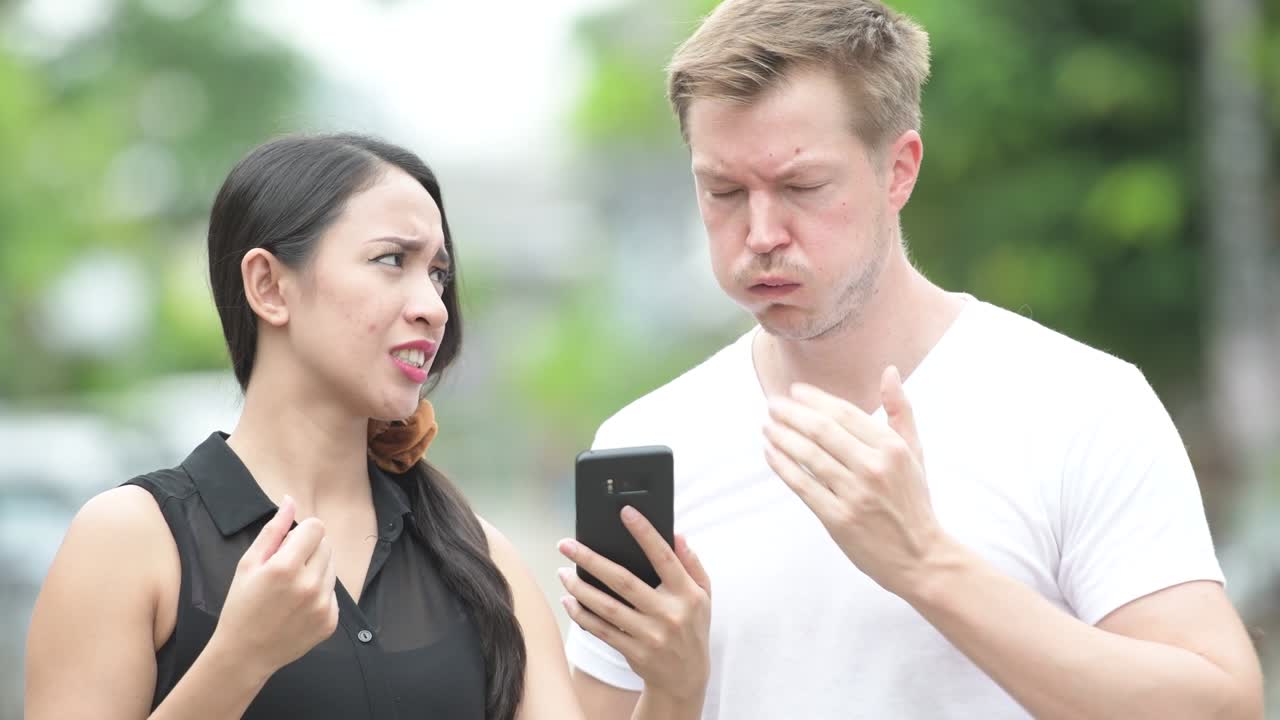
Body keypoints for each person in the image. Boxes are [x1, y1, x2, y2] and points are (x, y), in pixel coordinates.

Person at [560, 1, 1265, 718]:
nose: (762, 232)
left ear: (899, 170)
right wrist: (675, 690)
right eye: (725, 191)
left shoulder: (1080, 404)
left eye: (803, 187)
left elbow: (1220, 708)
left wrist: (926, 562)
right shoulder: (648, 446)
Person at [24, 133, 710, 720]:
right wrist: (236, 662)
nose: (433, 307)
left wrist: (675, 688)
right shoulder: (130, 540)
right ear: (268, 286)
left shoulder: (478, 558)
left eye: (438, 274)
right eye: (392, 261)